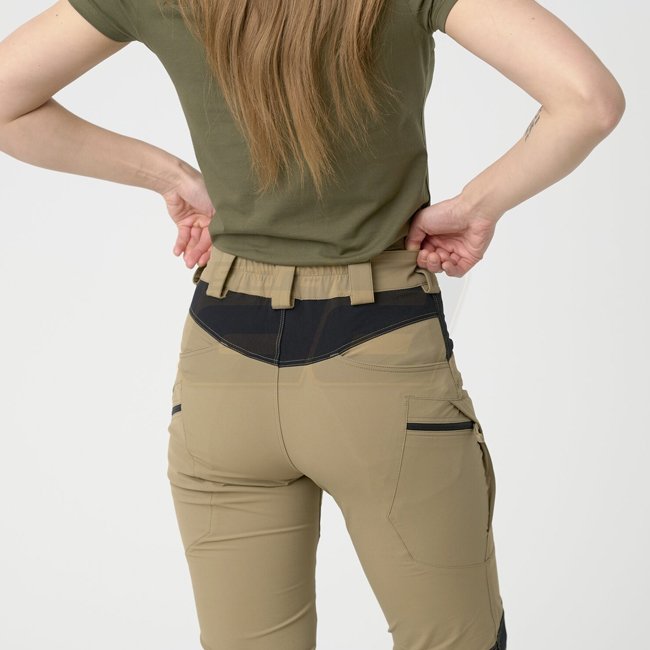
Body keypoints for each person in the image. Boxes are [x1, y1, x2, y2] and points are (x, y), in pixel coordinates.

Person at [0, 0, 624, 648]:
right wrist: (475, 207)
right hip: (381, 357)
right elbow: (587, 101)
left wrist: (174, 177)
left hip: (222, 359)